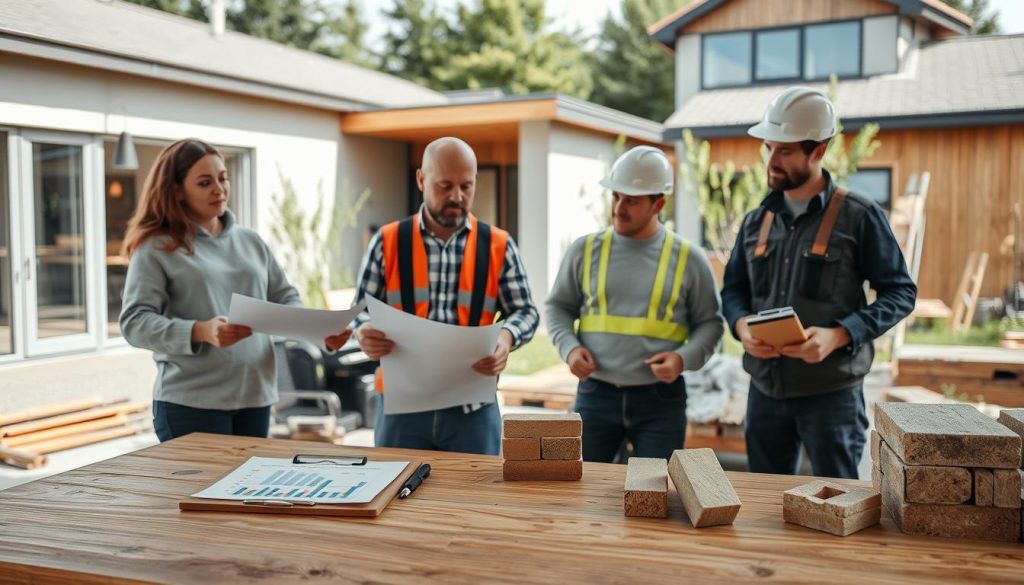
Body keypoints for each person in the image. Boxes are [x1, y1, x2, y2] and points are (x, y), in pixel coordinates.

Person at [721, 87, 917, 478]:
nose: (772, 161)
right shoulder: (755, 221)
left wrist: (840, 335)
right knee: (766, 506)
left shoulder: (859, 217)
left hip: (831, 398)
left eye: (785, 151)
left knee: (840, 506)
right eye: (769, 148)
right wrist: (742, 326)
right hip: (765, 392)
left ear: (819, 151)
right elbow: (733, 291)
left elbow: (900, 292)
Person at [120, 138, 350, 442]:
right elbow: (134, 323)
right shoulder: (156, 248)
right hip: (191, 403)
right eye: (205, 182)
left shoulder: (251, 241)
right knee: (206, 492)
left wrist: (317, 332)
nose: (219, 189)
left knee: (247, 491)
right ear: (177, 190)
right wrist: (200, 331)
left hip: (256, 398)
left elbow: (284, 298)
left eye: (222, 178)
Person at [351, 136, 539, 455]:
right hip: (401, 409)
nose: (457, 196)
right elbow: (359, 310)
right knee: (396, 500)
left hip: (473, 411)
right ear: (421, 180)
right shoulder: (387, 242)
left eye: (467, 186)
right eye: (445, 185)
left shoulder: (499, 245)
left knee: (474, 502)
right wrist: (363, 331)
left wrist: (506, 338)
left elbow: (527, 313)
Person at [546, 146, 724, 462]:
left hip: (660, 400)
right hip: (596, 394)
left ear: (658, 204)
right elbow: (557, 307)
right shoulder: (584, 250)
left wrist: (682, 359)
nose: (618, 207)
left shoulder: (689, 259)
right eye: (615, 196)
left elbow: (711, 323)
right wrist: (569, 349)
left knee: (654, 495)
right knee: (586, 492)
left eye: (631, 200)